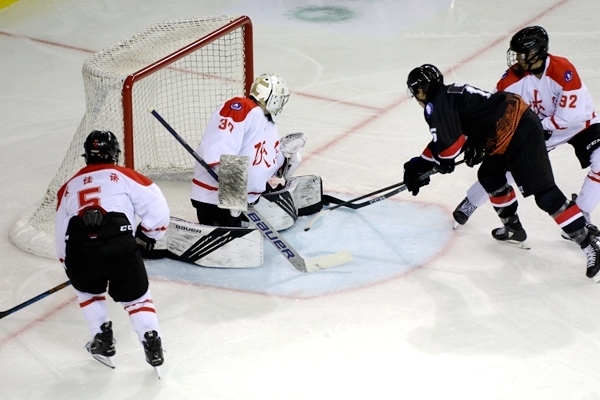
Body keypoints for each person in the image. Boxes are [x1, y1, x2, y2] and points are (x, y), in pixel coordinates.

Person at [403, 63, 600, 282]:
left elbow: (449, 148)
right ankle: (513, 228)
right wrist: (420, 164)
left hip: (518, 131)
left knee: (545, 194)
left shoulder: (435, 105)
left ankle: (588, 243)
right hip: (508, 128)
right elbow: (453, 136)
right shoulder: (448, 94)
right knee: (490, 176)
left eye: (415, 92)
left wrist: (437, 162)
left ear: (420, 90)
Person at [452, 26, 600, 239]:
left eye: (522, 53)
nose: (517, 58)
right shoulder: (513, 78)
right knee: (506, 169)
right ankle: (471, 202)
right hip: (540, 128)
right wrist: (478, 139)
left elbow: (569, 117)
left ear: (537, 52)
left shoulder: (562, 70)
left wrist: (537, 127)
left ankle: (581, 215)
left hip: (580, 125)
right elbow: (491, 109)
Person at [54, 130, 170, 373]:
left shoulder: (68, 187)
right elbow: (158, 209)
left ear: (87, 155)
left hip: (79, 249)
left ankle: (103, 339)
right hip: (119, 244)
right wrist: (147, 236)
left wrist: (69, 264)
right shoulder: (124, 176)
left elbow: (61, 233)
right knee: (137, 299)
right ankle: (151, 340)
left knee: (87, 292)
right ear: (114, 154)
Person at [190, 73, 306, 227]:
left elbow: (261, 163)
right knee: (232, 233)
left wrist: (283, 158)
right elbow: (218, 147)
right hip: (216, 200)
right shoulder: (241, 107)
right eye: (280, 98)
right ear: (271, 97)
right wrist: (234, 197)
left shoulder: (269, 123)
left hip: (247, 200)